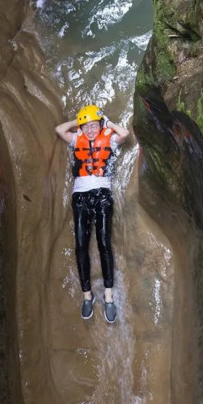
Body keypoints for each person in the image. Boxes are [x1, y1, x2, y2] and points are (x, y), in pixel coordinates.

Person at [55, 105, 132, 323]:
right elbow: (59, 129)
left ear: (99, 125)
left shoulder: (108, 139)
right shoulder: (75, 138)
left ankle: (108, 297)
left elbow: (125, 134)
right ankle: (87, 295)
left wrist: (107, 123)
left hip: (103, 196)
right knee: (81, 245)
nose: (90, 130)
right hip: (80, 196)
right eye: (86, 126)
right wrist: (77, 123)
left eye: (93, 125)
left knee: (104, 244)